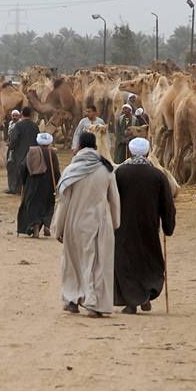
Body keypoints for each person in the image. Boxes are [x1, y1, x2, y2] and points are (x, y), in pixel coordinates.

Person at [51, 132, 120, 317]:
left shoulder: (71, 170)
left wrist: (59, 228)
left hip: (74, 222)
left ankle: (72, 300)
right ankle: (93, 303)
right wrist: (115, 223)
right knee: (96, 263)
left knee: (73, 263)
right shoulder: (106, 169)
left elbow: (63, 202)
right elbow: (114, 200)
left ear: (79, 146)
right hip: (99, 222)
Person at [113, 137, 175, 314]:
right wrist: (168, 226)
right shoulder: (158, 175)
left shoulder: (120, 173)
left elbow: (111, 199)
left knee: (126, 262)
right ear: (147, 153)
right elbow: (168, 205)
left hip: (124, 228)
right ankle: (145, 294)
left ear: (130, 152)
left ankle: (133, 301)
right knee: (148, 260)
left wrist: (110, 222)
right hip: (149, 227)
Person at [17, 132, 60, 238]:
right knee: (48, 204)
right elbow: (56, 171)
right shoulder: (52, 153)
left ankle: (35, 225)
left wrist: (23, 181)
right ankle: (46, 224)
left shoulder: (31, 152)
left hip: (32, 184)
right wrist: (58, 183)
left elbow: (23, 168)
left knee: (32, 205)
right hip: (49, 185)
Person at [7, 106, 39, 195]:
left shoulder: (18, 125)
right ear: (31, 114)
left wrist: (10, 147)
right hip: (32, 152)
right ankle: (28, 189)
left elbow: (14, 139)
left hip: (19, 152)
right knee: (30, 171)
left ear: (21, 114)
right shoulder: (35, 126)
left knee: (18, 171)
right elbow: (38, 139)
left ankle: (18, 190)